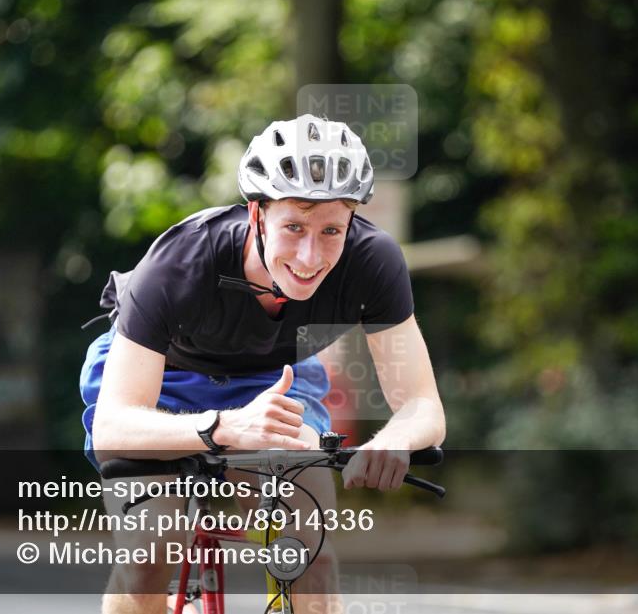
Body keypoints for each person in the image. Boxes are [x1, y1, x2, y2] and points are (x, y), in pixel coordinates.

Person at [80, 114, 446, 614]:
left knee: (309, 555)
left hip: (275, 383)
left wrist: (393, 439)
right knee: (149, 555)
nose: (310, 256)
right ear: (257, 214)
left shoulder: (372, 262)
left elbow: (423, 404)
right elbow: (113, 426)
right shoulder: (180, 262)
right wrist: (224, 427)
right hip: (160, 380)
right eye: (293, 227)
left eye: (331, 230)